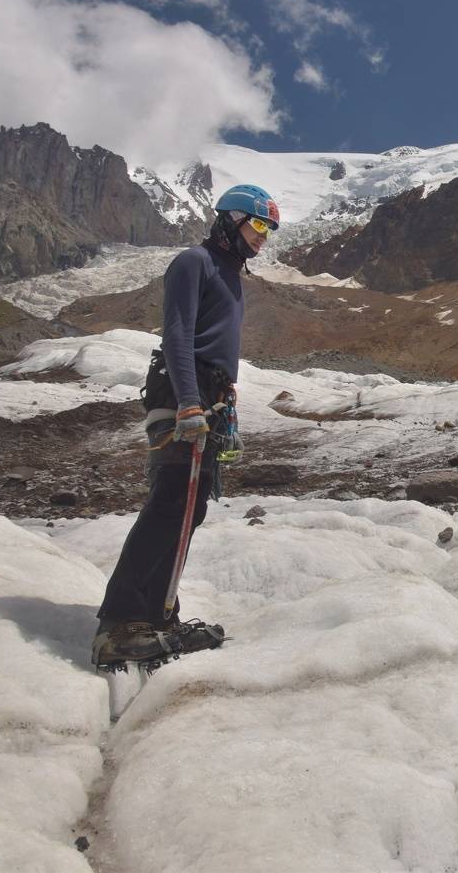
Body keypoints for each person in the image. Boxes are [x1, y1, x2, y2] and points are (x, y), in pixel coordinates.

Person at [91, 184, 279, 668]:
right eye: (259, 225)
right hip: (182, 393)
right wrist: (190, 404)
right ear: (231, 220)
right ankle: (120, 623)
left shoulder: (229, 272)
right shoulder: (194, 262)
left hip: (208, 395)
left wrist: (220, 397)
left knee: (189, 510)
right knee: (171, 502)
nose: (264, 236)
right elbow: (177, 333)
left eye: (269, 230)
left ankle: (158, 614)